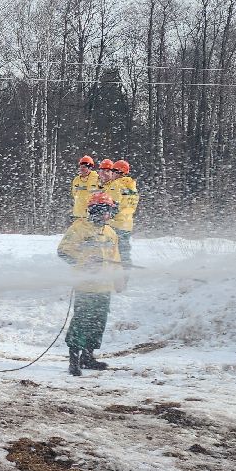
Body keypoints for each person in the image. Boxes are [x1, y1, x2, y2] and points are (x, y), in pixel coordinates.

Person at [57, 191, 125, 377]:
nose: (109, 215)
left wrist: (119, 277)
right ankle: (73, 360)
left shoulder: (111, 233)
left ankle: (88, 357)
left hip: (104, 287)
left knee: (97, 323)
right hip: (85, 286)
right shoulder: (79, 228)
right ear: (97, 210)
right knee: (81, 322)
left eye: (110, 211)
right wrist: (84, 261)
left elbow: (115, 258)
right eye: (107, 211)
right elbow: (63, 251)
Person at [105, 160, 139, 267]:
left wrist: (105, 217)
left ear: (118, 172)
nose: (112, 174)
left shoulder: (116, 184)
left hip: (114, 224)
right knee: (124, 251)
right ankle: (125, 272)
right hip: (127, 224)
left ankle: (111, 272)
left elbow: (112, 205)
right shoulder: (133, 187)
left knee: (110, 250)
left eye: (113, 171)